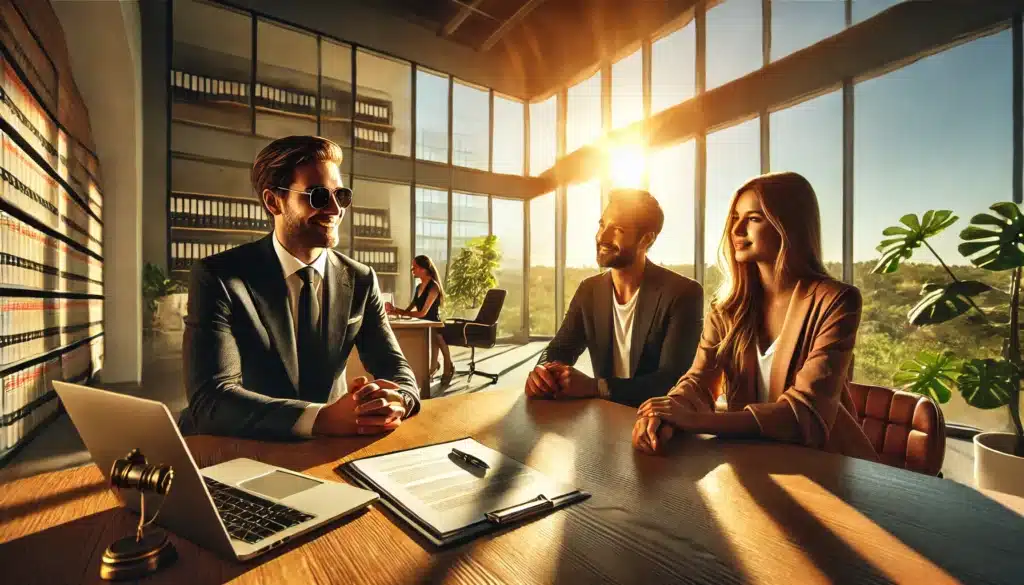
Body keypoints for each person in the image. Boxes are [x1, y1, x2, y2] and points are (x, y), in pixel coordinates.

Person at [180, 135, 419, 440]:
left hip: (331, 447)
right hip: (245, 446)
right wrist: (320, 418)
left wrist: (399, 400)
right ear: (273, 201)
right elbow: (211, 399)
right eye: (318, 196)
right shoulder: (219, 278)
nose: (335, 209)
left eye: (341, 195)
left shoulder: (360, 278)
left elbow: (396, 369)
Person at [633, 172, 878, 462]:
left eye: (753, 219)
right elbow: (699, 382)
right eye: (735, 218)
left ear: (788, 225)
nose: (736, 230)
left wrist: (696, 421)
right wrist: (662, 415)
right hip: (756, 466)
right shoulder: (727, 308)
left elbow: (806, 414)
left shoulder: (837, 301)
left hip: (828, 467)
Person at [525, 188, 704, 408]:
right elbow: (560, 349)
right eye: (602, 225)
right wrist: (543, 374)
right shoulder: (589, 290)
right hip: (605, 419)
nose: (602, 236)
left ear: (646, 239)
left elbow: (672, 380)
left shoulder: (683, 293)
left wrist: (596, 387)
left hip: (659, 424)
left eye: (617, 229)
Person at [386, 255, 454, 383]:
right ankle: (433, 368)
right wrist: (394, 310)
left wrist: (399, 311)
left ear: (424, 269)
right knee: (429, 347)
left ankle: (448, 369)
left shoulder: (434, 287)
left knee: (440, 344)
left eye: (415, 267)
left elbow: (423, 313)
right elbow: (409, 310)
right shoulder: (418, 287)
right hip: (423, 324)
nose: (412, 270)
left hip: (434, 323)